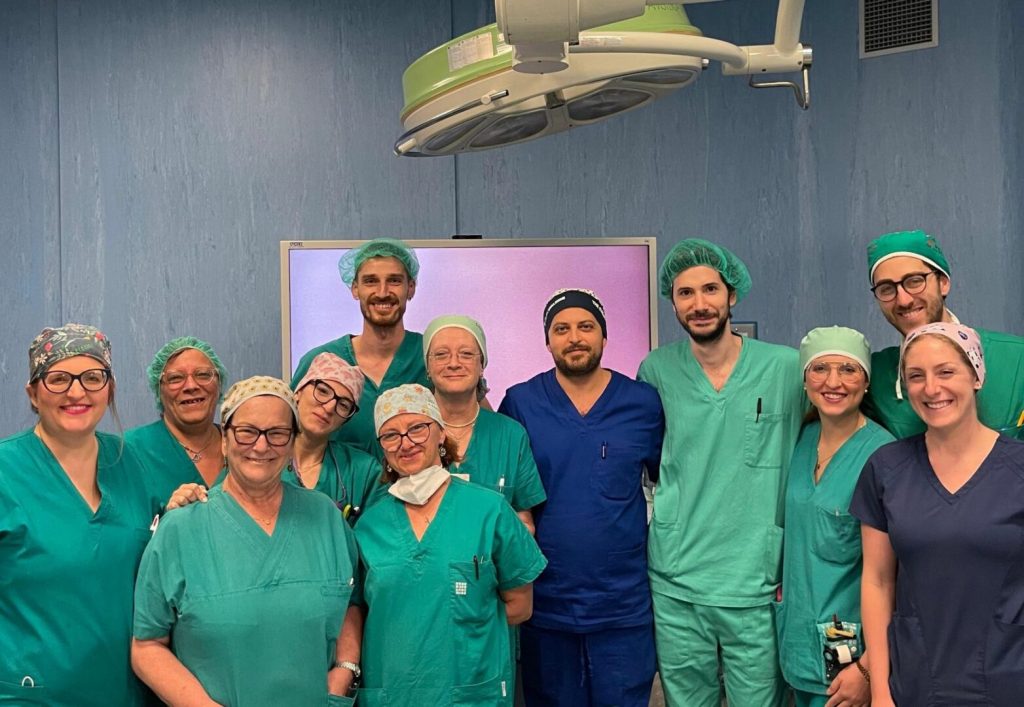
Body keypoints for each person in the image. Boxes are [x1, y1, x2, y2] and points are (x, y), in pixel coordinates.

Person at [637, 239, 804, 707]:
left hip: (755, 579)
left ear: (732, 294)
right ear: (673, 303)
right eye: (685, 293)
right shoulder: (657, 370)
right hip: (677, 577)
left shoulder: (786, 368)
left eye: (710, 289)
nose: (699, 304)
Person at [131, 376, 363, 706]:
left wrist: (344, 669)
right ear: (224, 440)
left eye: (277, 433)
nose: (261, 445)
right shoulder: (181, 529)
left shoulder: (324, 516)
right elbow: (147, 646)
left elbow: (351, 600)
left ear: (292, 442)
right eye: (247, 431)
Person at [499, 289, 664, 707]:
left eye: (586, 326)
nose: (574, 337)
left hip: (622, 605)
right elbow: (505, 493)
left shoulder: (642, 403)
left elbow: (671, 481)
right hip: (547, 604)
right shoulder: (521, 403)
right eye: (562, 329)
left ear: (604, 336)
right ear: (547, 341)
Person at [851, 323, 1024, 706]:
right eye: (916, 376)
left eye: (946, 371)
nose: (931, 388)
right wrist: (880, 691)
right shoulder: (886, 469)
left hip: (1009, 680)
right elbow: (878, 581)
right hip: (916, 683)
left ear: (976, 376)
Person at [355, 384, 546, 707]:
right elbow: (360, 613)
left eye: (417, 428)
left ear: (441, 433)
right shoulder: (369, 527)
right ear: (382, 448)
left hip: (470, 691)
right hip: (395, 692)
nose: (406, 442)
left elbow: (520, 606)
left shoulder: (489, 510)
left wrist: (458, 632)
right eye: (391, 435)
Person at [0, 324, 154, 705]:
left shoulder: (131, 462)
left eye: (92, 377)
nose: (76, 392)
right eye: (58, 379)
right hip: (31, 694)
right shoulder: (6, 470)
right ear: (33, 394)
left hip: (126, 692)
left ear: (110, 389)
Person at [775, 327, 894, 707]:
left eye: (848, 369)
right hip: (796, 642)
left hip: (851, 657)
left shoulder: (884, 456)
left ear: (866, 381)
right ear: (805, 379)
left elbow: (893, 578)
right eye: (820, 368)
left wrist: (868, 668)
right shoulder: (800, 440)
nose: (833, 382)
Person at [862, 229, 1024, 440]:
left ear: (943, 283)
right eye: (886, 289)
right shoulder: (876, 376)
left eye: (915, 281)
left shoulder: (1017, 358)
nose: (903, 300)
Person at [291, 238, 430, 455]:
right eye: (370, 281)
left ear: (410, 288)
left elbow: (474, 420)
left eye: (394, 281)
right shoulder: (320, 361)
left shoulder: (432, 357)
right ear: (355, 288)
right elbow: (286, 433)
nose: (382, 292)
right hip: (335, 479)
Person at [423, 314, 546, 531]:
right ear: (427, 367)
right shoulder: (409, 433)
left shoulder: (510, 435)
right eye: (441, 355)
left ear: (482, 366)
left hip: (493, 554)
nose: (454, 363)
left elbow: (524, 521)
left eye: (466, 354)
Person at [125, 336, 228, 510]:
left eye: (203, 375)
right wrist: (170, 519)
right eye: (175, 378)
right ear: (159, 390)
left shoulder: (246, 446)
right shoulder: (130, 450)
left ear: (219, 384)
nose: (191, 386)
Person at [287, 352, 386, 522]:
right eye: (323, 391)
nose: (329, 407)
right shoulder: (262, 456)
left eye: (343, 405)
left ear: (345, 420)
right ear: (298, 392)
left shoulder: (363, 471)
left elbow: (377, 530)